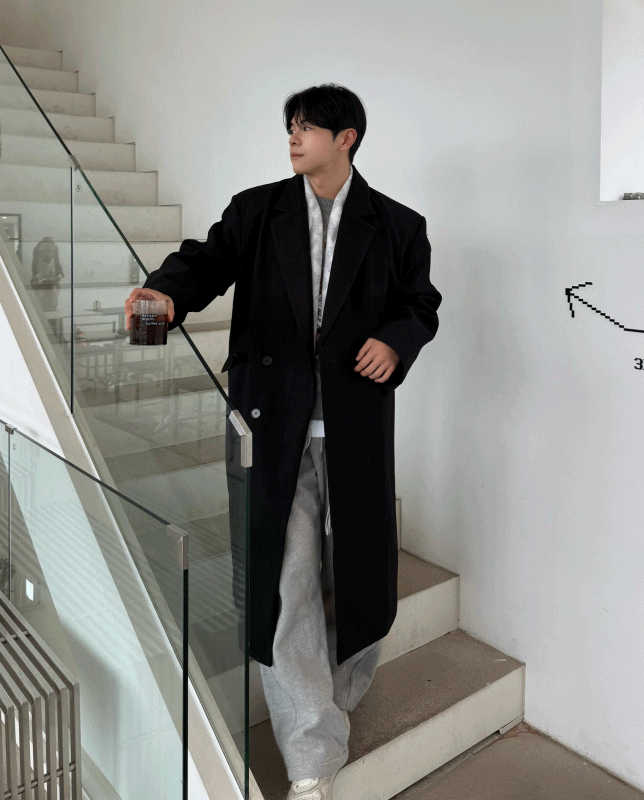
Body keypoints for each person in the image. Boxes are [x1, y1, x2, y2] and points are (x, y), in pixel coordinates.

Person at [124, 83, 442, 800]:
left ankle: (339, 688)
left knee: (357, 572)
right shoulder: (257, 210)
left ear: (346, 137)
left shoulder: (398, 225)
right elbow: (205, 263)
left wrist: (396, 341)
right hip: (271, 427)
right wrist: (166, 292)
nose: (293, 137)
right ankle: (311, 754)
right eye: (290, 126)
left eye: (307, 127)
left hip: (354, 427)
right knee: (287, 579)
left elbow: (420, 305)